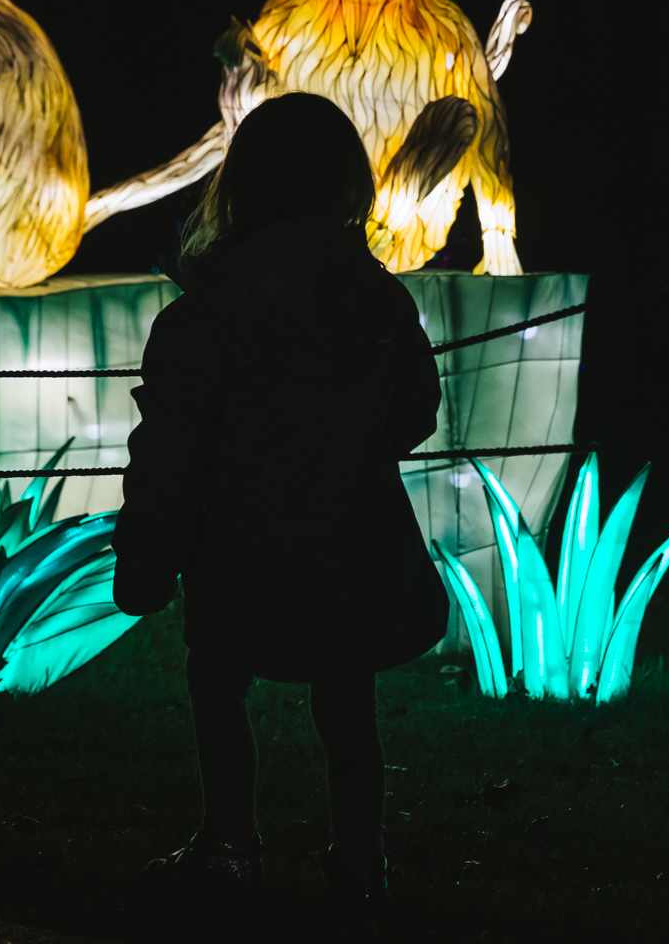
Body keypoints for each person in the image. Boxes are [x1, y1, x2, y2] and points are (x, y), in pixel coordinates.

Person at [111, 92, 445, 915]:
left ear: (243, 186)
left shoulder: (204, 317)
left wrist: (147, 559)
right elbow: (416, 415)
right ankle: (361, 864)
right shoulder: (378, 306)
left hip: (240, 546)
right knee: (347, 701)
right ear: (346, 185)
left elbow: (169, 453)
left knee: (218, 684)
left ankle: (229, 846)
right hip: (350, 541)